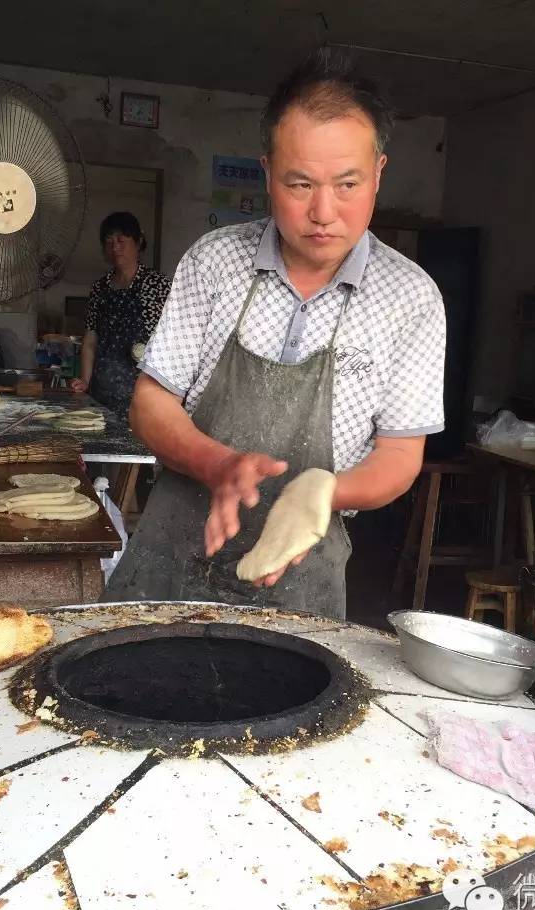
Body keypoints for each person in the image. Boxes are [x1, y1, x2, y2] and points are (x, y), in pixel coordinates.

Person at [101, 48, 446, 618]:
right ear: (266, 171)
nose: (323, 212)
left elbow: (401, 455)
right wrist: (217, 466)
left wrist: (324, 492)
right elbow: (150, 403)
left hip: (301, 582)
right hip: (169, 561)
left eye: (347, 184)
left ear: (380, 173)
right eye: (300, 184)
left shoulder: (410, 299)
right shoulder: (215, 262)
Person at [71, 212, 171, 417]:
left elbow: (171, 340)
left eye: (121, 241)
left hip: (142, 394)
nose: (115, 248)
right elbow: (91, 340)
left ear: (138, 242)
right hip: (101, 392)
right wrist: (85, 381)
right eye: (108, 242)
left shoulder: (158, 285)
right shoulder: (100, 288)